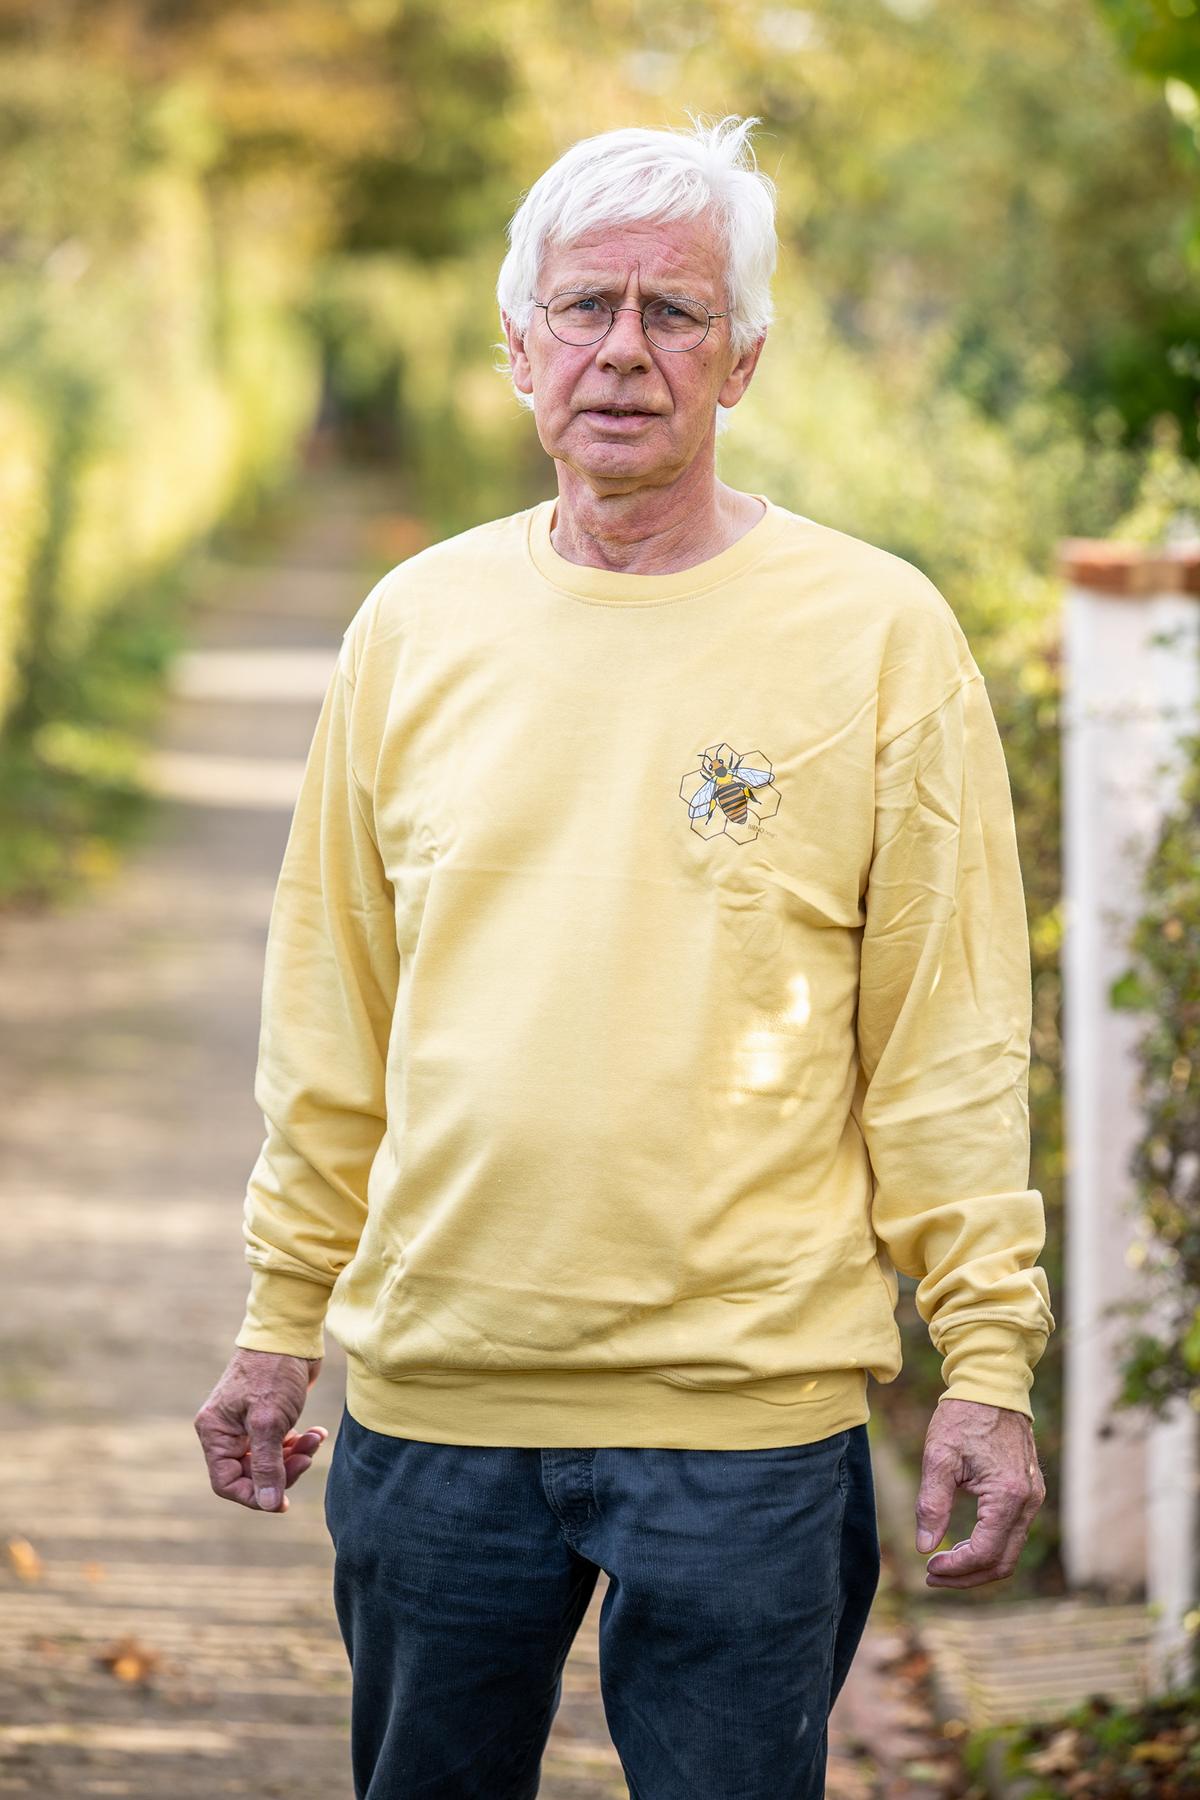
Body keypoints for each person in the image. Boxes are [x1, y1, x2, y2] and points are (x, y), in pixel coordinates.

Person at [194, 112, 1055, 1799]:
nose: (625, 351)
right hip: (440, 1399)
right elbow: (330, 1018)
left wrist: (990, 1365)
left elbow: (948, 1041)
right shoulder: (413, 629)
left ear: (745, 357)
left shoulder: (879, 635)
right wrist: (280, 1316)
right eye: (585, 306)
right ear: (519, 348)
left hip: (749, 1424)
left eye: (676, 311)